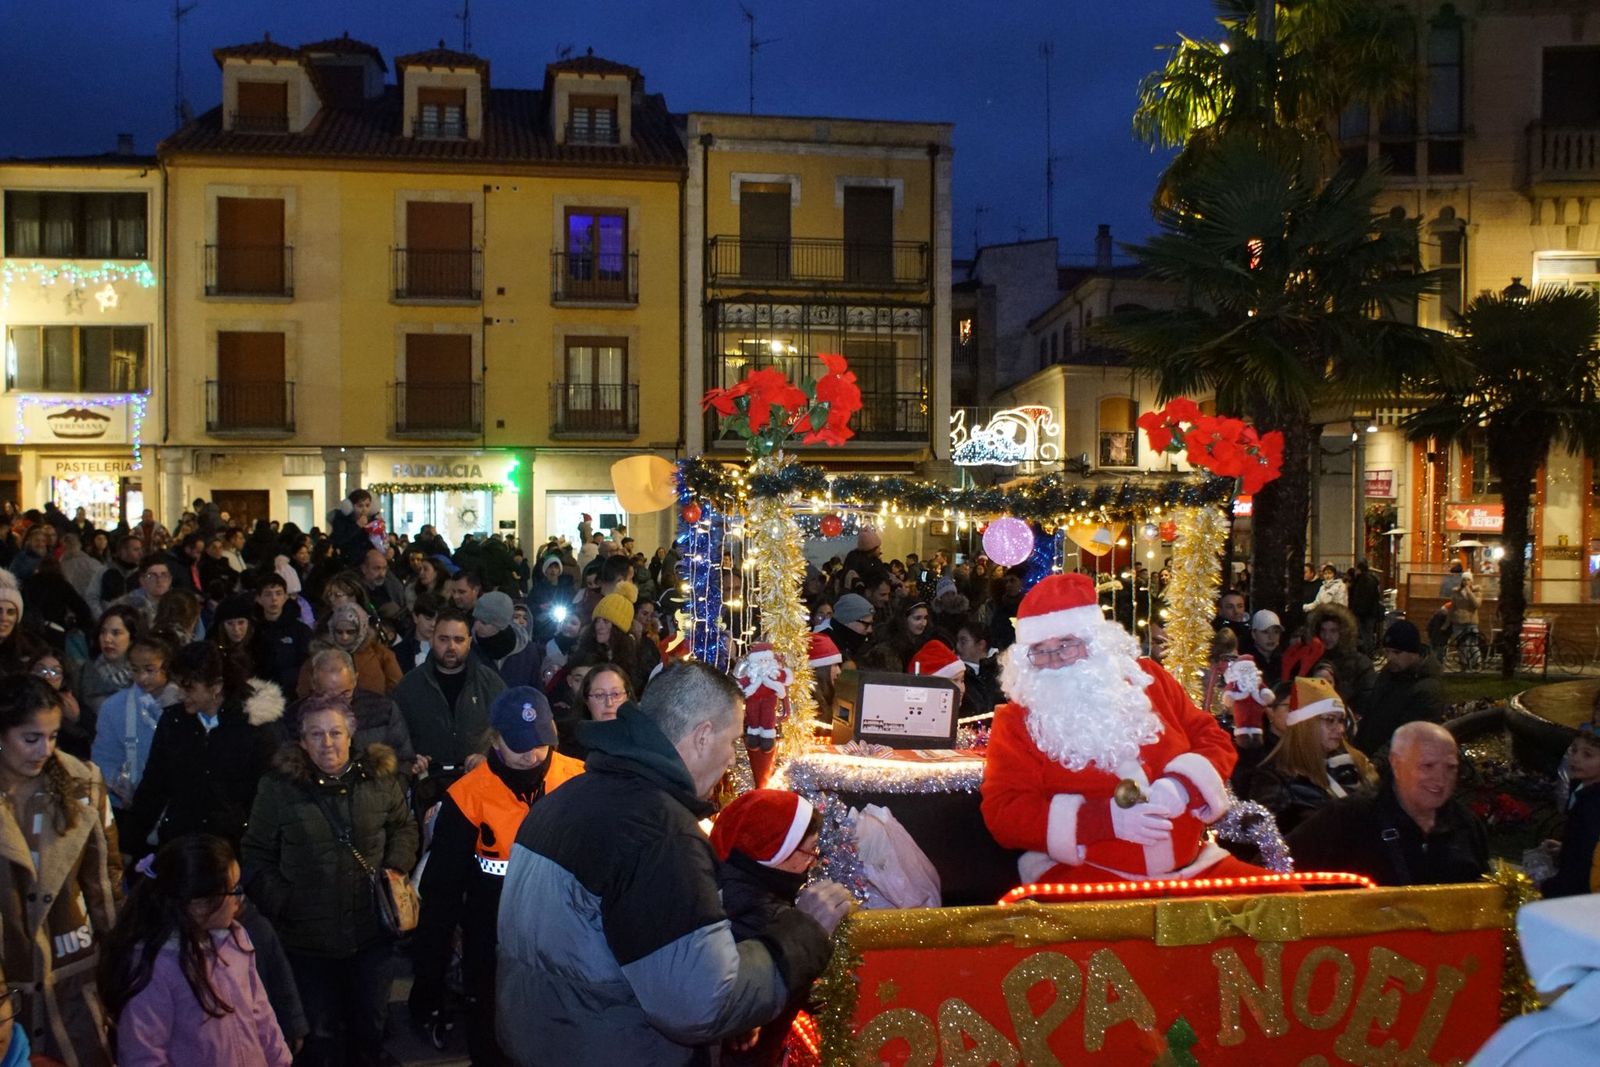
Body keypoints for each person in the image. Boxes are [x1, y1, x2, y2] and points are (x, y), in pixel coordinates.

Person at [496, 662, 849, 1065]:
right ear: (702, 735)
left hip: (542, 1043)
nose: (732, 762)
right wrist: (804, 932)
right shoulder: (660, 834)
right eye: (732, 742)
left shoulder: (567, 797)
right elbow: (701, 1003)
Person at [980, 573, 1251, 884]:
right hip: (1088, 879)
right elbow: (1005, 812)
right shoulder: (1018, 719)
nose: (1054, 660)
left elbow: (1213, 739)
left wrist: (1182, 786)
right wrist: (1103, 820)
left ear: (1095, 643)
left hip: (1193, 870)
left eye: (1066, 644)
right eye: (1040, 649)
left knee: (1287, 909)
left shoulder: (1149, 679)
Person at [241, 695, 418, 1067]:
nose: (327, 743)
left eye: (335, 732)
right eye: (316, 734)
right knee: (320, 1036)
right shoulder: (278, 788)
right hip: (308, 942)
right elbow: (256, 852)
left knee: (370, 1025)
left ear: (351, 735)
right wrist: (283, 902)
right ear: (302, 741)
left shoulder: (378, 779)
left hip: (371, 934)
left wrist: (395, 870)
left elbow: (403, 826)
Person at [411, 687, 583, 1064]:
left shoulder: (579, 780)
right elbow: (441, 896)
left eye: (540, 741)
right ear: (495, 739)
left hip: (566, 950)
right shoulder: (467, 798)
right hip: (494, 954)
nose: (531, 754)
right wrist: (430, 979)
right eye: (518, 743)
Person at [0, 675, 121, 1067]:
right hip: (8, 973)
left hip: (71, 966)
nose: (44, 750)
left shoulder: (82, 785)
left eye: (53, 737)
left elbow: (105, 881)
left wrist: (118, 955)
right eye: (31, 738)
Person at [100, 834, 293, 1067]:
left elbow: (260, 1012)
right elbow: (143, 1054)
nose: (240, 899)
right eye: (233, 890)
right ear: (198, 903)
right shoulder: (156, 967)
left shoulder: (235, 938)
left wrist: (279, 1059)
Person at [710, 790, 843, 1067]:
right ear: (776, 851)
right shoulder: (761, 915)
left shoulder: (720, 882)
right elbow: (792, 987)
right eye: (810, 850)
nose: (813, 861)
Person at [122, 642, 283, 857]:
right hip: (181, 842)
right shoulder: (174, 721)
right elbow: (154, 785)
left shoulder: (255, 728)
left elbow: (266, 797)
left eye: (188, 688)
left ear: (215, 687)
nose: (180, 694)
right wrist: (130, 843)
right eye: (178, 685)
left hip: (233, 847)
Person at [1287, 721, 1488, 886]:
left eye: (1450, 767)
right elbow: (1278, 866)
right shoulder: (1348, 819)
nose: (1440, 778)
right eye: (1427, 766)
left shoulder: (1465, 825)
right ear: (1396, 763)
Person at [393, 609, 505, 791]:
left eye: (459, 640)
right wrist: (410, 758)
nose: (451, 646)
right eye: (443, 639)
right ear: (431, 640)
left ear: (469, 642)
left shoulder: (490, 682)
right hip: (427, 783)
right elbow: (395, 734)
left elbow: (507, 728)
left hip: (479, 781)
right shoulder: (409, 686)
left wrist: (490, 756)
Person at [1249, 678, 1378, 833]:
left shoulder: (1355, 762)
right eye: (1330, 720)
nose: (1340, 729)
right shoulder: (1276, 775)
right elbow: (1263, 837)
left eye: (1341, 721)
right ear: (1305, 725)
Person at [92, 635, 181, 842]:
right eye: (135, 669)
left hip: (174, 809)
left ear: (166, 666)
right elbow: (103, 756)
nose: (142, 677)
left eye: (150, 669)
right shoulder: (114, 707)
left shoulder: (184, 704)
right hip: (128, 807)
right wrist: (119, 785)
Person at [295, 649, 416, 768]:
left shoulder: (384, 709)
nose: (338, 702)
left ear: (354, 681)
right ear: (314, 685)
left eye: (345, 693)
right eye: (329, 695)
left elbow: (404, 758)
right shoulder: (296, 717)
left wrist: (388, 786)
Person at [1356, 619, 1446, 757]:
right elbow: (1371, 715)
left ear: (1413, 653)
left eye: (1397, 652)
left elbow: (1408, 738)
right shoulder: (1389, 673)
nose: (1390, 657)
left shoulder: (1427, 689)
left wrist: (1374, 766)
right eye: (1387, 651)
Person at [1540, 724, 1600, 898]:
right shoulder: (1583, 791)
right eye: (1574, 751)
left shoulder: (1591, 806)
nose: (1575, 759)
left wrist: (1549, 888)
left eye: (1587, 755)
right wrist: (1565, 848)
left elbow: (1582, 866)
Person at [296, 603, 402, 698]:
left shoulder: (380, 654)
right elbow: (304, 693)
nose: (345, 637)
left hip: (374, 713)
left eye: (350, 632)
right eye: (339, 632)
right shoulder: (317, 659)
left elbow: (396, 687)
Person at [1307, 603, 1375, 716]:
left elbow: (1367, 700)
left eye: (1333, 631)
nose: (1327, 637)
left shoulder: (1360, 663)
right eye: (1323, 630)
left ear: (1343, 633)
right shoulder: (1310, 660)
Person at [250, 573, 312, 695]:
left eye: (278, 593)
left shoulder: (301, 630)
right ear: (258, 598)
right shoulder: (252, 630)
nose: (274, 599)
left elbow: (307, 664)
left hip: (292, 694)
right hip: (260, 695)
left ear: (285, 597)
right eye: (268, 594)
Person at [558, 663, 634, 761]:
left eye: (616, 694)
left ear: (627, 696)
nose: (609, 703)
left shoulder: (642, 740)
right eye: (599, 695)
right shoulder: (567, 746)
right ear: (586, 700)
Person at [78, 606, 141, 724]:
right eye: (103, 632)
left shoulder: (144, 671)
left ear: (132, 637)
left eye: (116, 633)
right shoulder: (90, 673)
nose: (107, 639)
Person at [473, 591, 543, 688]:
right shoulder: (470, 648)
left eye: (484, 622)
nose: (476, 626)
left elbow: (535, 692)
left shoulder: (528, 652)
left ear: (501, 625)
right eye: (475, 619)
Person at [1348, 559, 1383, 654]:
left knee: (1366, 635)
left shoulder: (1364, 581)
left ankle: (1368, 654)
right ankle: (1368, 653)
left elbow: (1364, 598)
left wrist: (1359, 611)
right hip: (1368, 613)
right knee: (1368, 635)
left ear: (1359, 569)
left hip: (1365, 614)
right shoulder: (1368, 579)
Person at [827, 593, 875, 661]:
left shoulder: (857, 648)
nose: (870, 630)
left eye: (871, 624)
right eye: (866, 624)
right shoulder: (827, 652)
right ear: (847, 621)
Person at [1249, 609, 1286, 682]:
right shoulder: (1247, 663)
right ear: (1254, 634)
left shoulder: (1285, 658)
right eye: (1265, 632)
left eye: (1276, 632)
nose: (1271, 637)